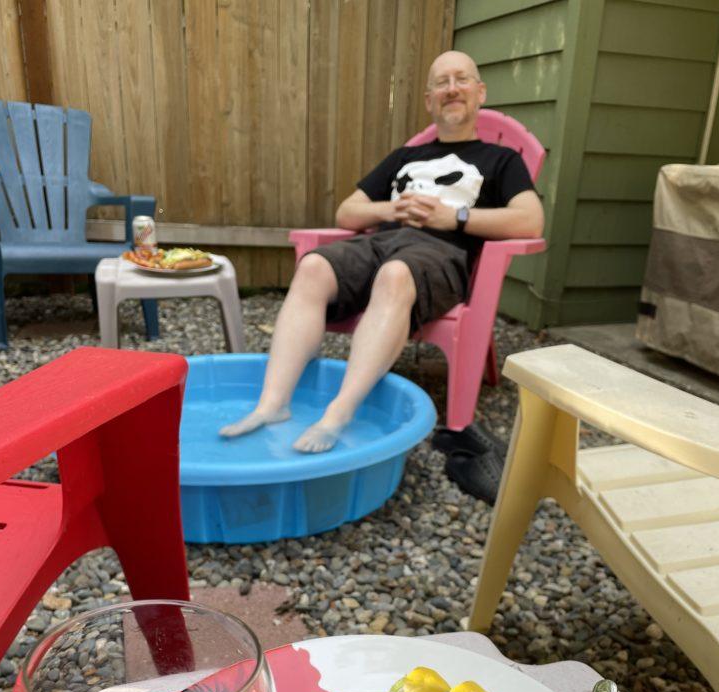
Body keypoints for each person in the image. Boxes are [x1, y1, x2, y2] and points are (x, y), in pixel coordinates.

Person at [220, 50, 544, 453]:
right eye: (441, 83)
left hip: (440, 252)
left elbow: (530, 220)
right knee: (314, 266)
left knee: (396, 274)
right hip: (381, 241)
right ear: (429, 101)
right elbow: (347, 211)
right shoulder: (404, 158)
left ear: (480, 93)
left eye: (461, 80)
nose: (451, 89)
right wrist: (390, 208)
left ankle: (338, 414)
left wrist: (454, 217)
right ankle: (272, 404)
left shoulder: (501, 159)